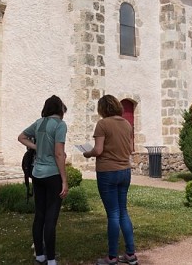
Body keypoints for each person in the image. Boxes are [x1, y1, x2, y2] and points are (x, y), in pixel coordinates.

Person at [83, 95, 138, 265]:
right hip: (124, 171)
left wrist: (87, 153)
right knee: (123, 211)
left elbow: (98, 150)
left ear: (102, 109)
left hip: (107, 172)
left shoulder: (103, 124)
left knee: (113, 214)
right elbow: (130, 149)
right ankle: (130, 254)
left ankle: (112, 257)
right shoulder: (127, 124)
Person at [18, 95, 69, 265]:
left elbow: (21, 137)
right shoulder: (60, 125)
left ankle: (40, 255)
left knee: (39, 215)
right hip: (52, 174)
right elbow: (59, 153)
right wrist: (64, 180)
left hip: (37, 174)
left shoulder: (39, 123)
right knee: (51, 218)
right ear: (60, 109)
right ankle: (52, 259)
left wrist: (36, 147)